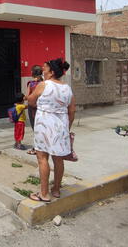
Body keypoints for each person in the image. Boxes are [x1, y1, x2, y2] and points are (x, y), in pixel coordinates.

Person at [27, 58, 76, 203]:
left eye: (45, 68)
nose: (43, 70)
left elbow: (30, 100)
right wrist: (67, 127)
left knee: (42, 159)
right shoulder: (67, 88)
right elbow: (72, 110)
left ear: (52, 72)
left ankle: (43, 193)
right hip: (61, 126)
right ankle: (56, 190)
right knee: (58, 159)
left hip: (44, 125)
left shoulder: (44, 85)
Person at [26, 65, 43, 155]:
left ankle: (37, 148)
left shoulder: (31, 84)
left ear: (33, 73)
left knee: (35, 128)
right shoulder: (44, 83)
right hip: (43, 108)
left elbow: (28, 97)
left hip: (33, 108)